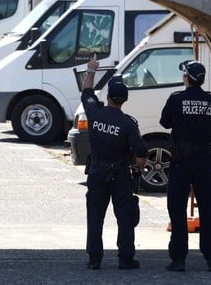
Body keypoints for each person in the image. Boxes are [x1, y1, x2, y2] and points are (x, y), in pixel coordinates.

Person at [81, 56, 147, 271]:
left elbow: (87, 93)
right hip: (120, 176)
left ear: (108, 96)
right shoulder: (128, 124)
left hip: (97, 172)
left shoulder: (95, 112)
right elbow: (141, 152)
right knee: (125, 218)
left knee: (95, 218)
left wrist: (91, 70)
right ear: (124, 100)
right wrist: (138, 167)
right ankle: (125, 259)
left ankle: (94, 259)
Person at [160, 60, 211, 272]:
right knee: (208, 207)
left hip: (182, 159)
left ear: (186, 78)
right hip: (204, 159)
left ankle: (178, 259)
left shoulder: (177, 99)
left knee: (177, 206)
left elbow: (165, 122)